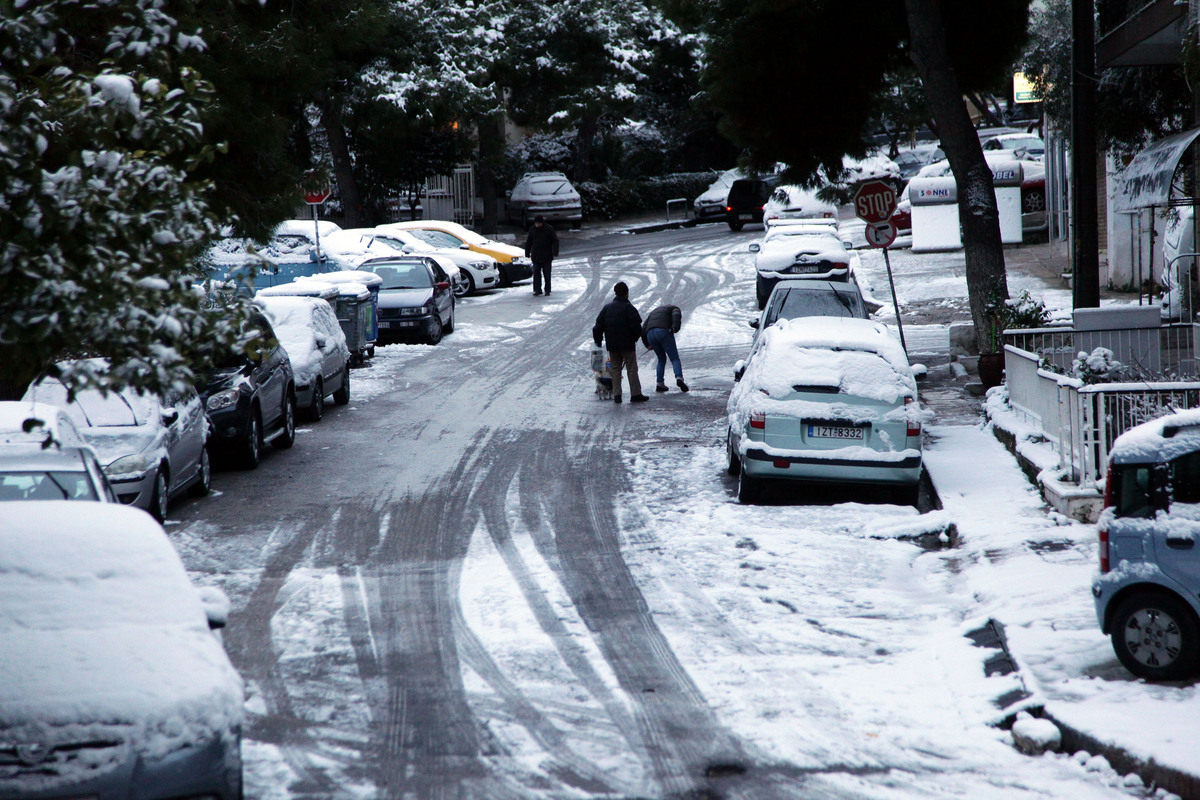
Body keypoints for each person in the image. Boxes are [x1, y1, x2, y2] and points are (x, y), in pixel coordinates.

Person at [592, 281, 648, 404]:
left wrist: (598, 341)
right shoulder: (629, 308)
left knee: (615, 369)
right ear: (627, 293)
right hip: (627, 345)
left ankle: (617, 395)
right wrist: (634, 337)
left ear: (615, 293)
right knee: (631, 368)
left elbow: (597, 327)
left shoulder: (607, 308)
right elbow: (637, 328)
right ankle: (635, 394)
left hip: (612, 345)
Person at [641, 304, 688, 393]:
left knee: (661, 359)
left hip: (650, 334)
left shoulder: (653, 313)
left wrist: (647, 344)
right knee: (674, 358)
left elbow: (644, 327)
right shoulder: (674, 308)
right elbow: (676, 315)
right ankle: (679, 378)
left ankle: (660, 383)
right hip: (663, 331)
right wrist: (675, 328)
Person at [523, 215, 559, 296]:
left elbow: (555, 240)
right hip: (536, 256)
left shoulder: (549, 229)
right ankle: (537, 289)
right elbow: (529, 242)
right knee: (536, 273)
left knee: (547, 274)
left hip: (547, 255)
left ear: (542, 223)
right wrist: (527, 253)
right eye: (536, 223)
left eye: (539, 223)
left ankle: (547, 290)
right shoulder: (532, 230)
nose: (537, 225)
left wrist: (555, 251)